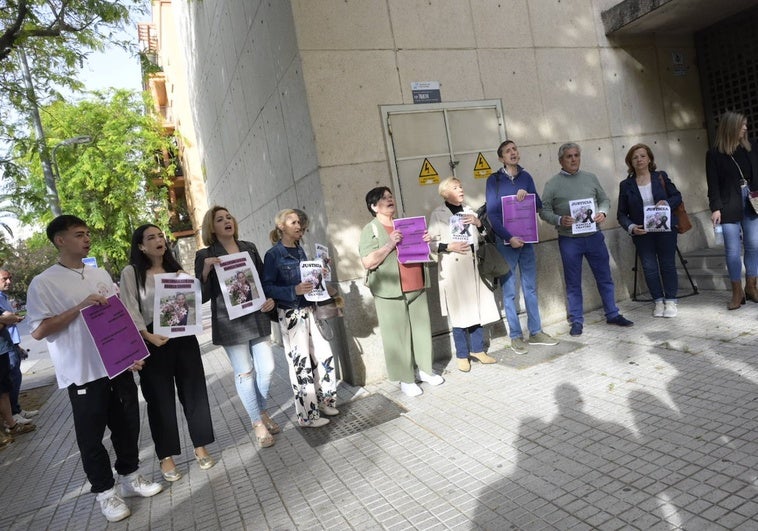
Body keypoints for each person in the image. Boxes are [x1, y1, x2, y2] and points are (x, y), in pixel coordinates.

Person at [26, 215, 162, 523]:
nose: (86, 239)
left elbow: (119, 317)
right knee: (91, 437)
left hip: (116, 367)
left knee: (127, 425)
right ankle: (105, 492)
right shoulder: (43, 282)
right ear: (60, 240)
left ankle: (130, 477)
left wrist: (131, 353)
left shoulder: (98, 272)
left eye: (87, 233)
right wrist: (79, 308)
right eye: (78, 234)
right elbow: (38, 331)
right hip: (82, 372)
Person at [120, 224, 216, 483]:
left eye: (160, 235)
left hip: (183, 337)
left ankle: (201, 446)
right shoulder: (131, 273)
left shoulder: (176, 269)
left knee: (194, 392)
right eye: (150, 237)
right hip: (153, 340)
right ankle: (167, 456)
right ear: (140, 246)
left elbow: (194, 301)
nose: (158, 240)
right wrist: (147, 336)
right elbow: (129, 307)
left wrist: (192, 280)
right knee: (160, 400)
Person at [194, 206, 279, 448]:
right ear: (212, 227)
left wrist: (270, 299)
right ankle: (257, 423)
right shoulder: (204, 255)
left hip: (256, 315)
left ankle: (260, 411)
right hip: (229, 323)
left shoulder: (249, 247)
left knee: (269, 368)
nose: (226, 221)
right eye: (220, 219)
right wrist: (207, 270)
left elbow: (263, 280)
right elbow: (202, 296)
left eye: (229, 217)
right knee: (245, 373)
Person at [540, 143, 634, 336]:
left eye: (576, 155)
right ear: (561, 160)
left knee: (605, 277)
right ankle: (576, 321)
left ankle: (612, 313)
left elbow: (604, 200)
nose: (573, 159)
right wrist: (559, 219)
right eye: (569, 156)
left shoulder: (590, 178)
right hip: (569, 240)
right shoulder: (552, 184)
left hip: (594, 237)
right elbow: (543, 210)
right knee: (573, 282)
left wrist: (602, 212)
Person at [359, 187, 444, 396]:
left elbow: (423, 249)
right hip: (389, 290)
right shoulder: (370, 229)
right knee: (397, 336)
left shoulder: (405, 224)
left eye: (390, 197)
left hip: (416, 282)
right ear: (373, 206)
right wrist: (389, 244)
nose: (389, 200)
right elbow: (368, 261)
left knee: (422, 330)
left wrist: (426, 242)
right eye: (383, 199)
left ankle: (425, 370)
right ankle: (406, 378)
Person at [262, 209, 337, 427]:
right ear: (281, 226)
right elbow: (267, 286)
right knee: (301, 363)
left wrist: (319, 273)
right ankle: (306, 415)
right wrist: (293, 290)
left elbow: (307, 281)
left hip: (311, 310)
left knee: (323, 356)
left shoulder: (300, 250)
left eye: (300, 224)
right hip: (291, 313)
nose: (298, 226)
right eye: (293, 222)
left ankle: (324, 400)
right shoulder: (273, 255)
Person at [486, 140, 559, 354]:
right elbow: (492, 213)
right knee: (509, 292)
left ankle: (535, 331)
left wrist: (528, 196)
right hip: (507, 242)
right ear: (501, 158)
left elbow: (537, 205)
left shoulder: (526, 177)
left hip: (526, 241)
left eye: (515, 149)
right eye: (508, 151)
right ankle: (516, 336)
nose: (513, 153)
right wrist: (509, 237)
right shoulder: (494, 180)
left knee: (530, 287)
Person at [429, 177, 500, 372]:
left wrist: (479, 223)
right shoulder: (438, 214)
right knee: (459, 311)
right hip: (453, 267)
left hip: (473, 264)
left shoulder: (470, 211)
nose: (460, 190)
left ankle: (478, 350)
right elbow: (431, 245)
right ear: (445, 192)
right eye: (455, 187)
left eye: (461, 186)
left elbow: (487, 237)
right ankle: (462, 354)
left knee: (476, 307)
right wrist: (448, 246)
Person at [617, 144, 683, 317]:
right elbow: (621, 214)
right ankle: (658, 301)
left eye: (642, 156)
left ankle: (670, 301)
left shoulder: (660, 177)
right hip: (642, 232)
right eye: (635, 157)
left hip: (665, 229)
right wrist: (631, 227)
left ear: (649, 159)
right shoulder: (626, 185)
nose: (639, 159)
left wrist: (667, 203)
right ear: (630, 162)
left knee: (667, 264)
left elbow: (677, 196)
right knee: (649, 267)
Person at [706, 111, 758, 309]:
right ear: (731, 127)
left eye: (745, 125)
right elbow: (713, 185)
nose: (745, 128)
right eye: (742, 125)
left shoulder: (752, 147)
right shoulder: (714, 154)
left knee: (754, 245)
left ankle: (752, 287)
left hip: (752, 201)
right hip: (728, 205)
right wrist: (715, 208)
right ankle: (737, 292)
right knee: (733, 250)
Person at [0, 267, 39, 424]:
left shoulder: (4, 297)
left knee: (14, 378)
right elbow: (7, 319)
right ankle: (12, 417)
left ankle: (16, 410)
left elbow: (9, 319)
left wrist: (17, 345)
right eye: (4, 279)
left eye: (10, 278)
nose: (9, 282)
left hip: (10, 344)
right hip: (3, 348)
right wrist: (9, 319)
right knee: (8, 382)